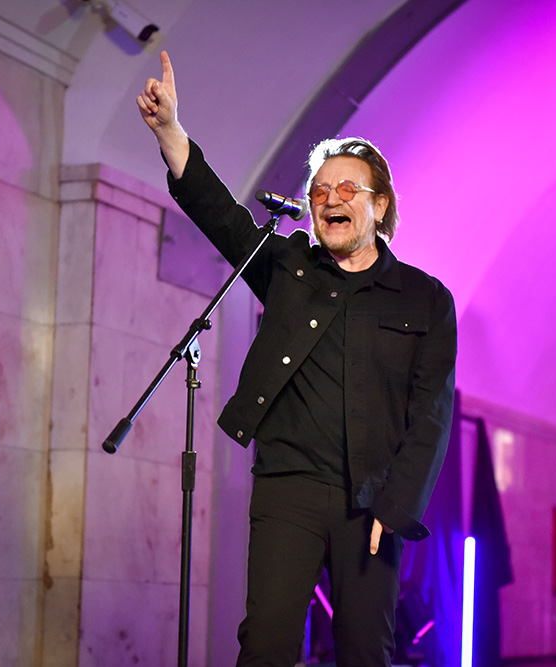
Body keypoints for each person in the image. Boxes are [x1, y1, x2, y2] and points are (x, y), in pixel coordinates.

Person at [137, 51, 457, 667]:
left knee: (366, 651)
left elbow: (431, 420)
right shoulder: (289, 268)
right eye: (319, 190)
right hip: (289, 488)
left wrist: (395, 511)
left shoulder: (426, 298)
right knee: (267, 645)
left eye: (347, 188)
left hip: (374, 502)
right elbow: (222, 218)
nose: (330, 198)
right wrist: (171, 131)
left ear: (380, 205)